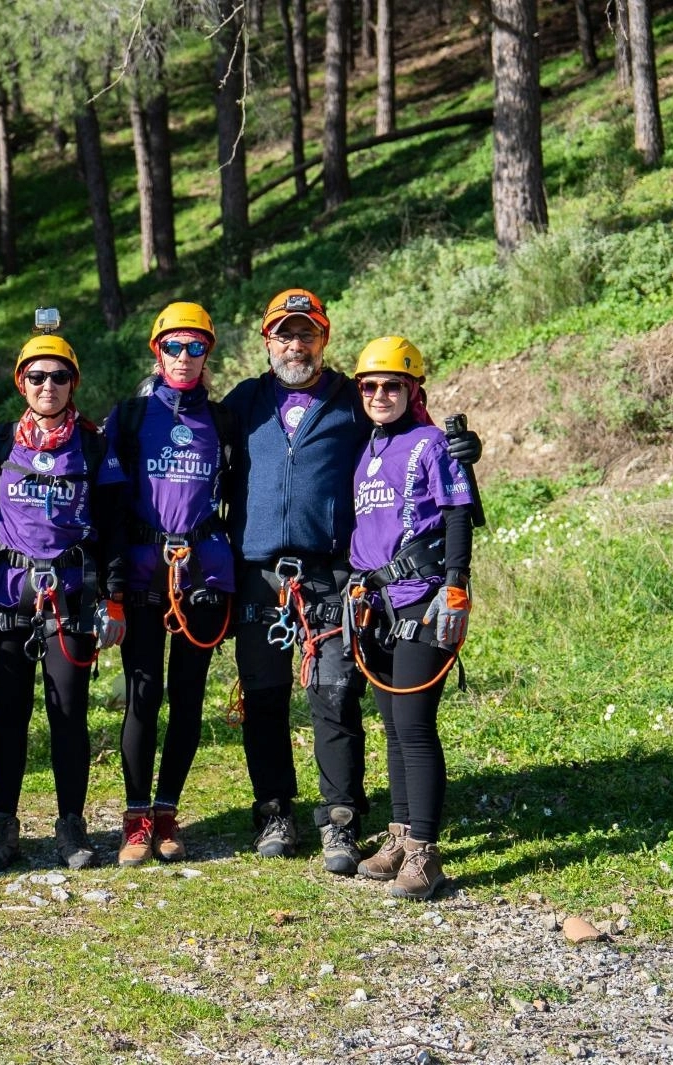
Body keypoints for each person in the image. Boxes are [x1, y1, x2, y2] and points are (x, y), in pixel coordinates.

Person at [220, 289, 480, 876]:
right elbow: (192, 435)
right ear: (267, 341)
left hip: (334, 575)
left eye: (306, 333)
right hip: (260, 574)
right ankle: (274, 812)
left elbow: (410, 440)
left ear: (325, 338)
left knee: (335, 695)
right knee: (264, 698)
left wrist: (463, 449)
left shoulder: (352, 399)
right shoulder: (243, 403)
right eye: (284, 334)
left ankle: (340, 818)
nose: (296, 345)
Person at [0, 321, 127, 873]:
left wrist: (113, 599)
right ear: (22, 383)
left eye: (59, 377)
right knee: (8, 715)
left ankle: (71, 826)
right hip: (7, 595)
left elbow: (113, 528)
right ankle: (2, 826)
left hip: (71, 597)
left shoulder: (93, 443)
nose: (48, 386)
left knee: (69, 716)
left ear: (72, 383)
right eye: (36, 377)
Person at [104, 302, 238, 866]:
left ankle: (166, 813)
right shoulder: (131, 417)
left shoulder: (224, 421)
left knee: (187, 698)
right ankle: (135, 819)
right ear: (157, 353)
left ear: (208, 354)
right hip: (143, 571)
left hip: (203, 572)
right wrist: (109, 584)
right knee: (143, 694)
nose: (184, 357)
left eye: (195, 347)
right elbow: (108, 504)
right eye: (173, 347)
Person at [346, 337, 472, 901]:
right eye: (370, 386)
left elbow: (458, 515)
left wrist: (456, 586)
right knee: (394, 727)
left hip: (423, 598)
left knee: (416, 727)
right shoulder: (368, 447)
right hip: (376, 605)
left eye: (392, 385)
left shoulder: (431, 444)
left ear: (413, 388)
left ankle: (425, 853)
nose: (380, 395)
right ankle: (399, 835)